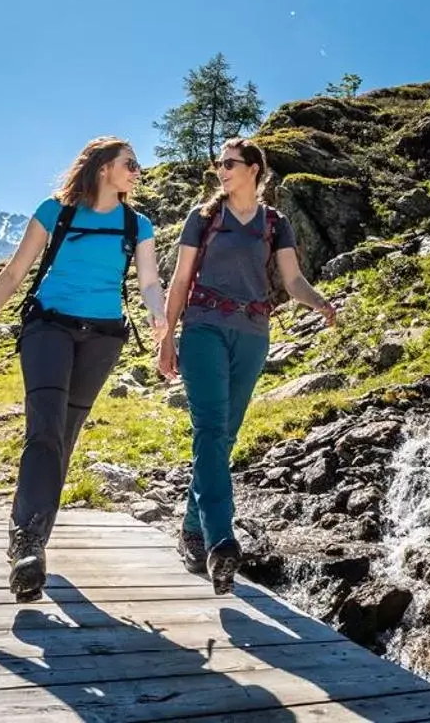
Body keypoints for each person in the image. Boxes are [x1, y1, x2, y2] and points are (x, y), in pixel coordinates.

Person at [0, 136, 165, 601]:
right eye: (129, 163)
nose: (137, 170)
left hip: (105, 335)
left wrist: (160, 316)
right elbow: (13, 274)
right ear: (104, 168)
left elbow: (149, 280)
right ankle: (27, 544)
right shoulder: (57, 211)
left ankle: (32, 544)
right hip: (48, 327)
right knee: (45, 429)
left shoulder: (138, 223)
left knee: (64, 435)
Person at [158, 137, 337, 593]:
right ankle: (221, 541)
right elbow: (180, 280)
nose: (221, 170)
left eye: (230, 163)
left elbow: (292, 280)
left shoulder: (274, 223)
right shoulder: (203, 218)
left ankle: (193, 529)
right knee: (211, 430)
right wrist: (166, 339)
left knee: (225, 436)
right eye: (218, 163)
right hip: (203, 329)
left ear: (255, 169)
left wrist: (320, 303)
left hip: (254, 335)